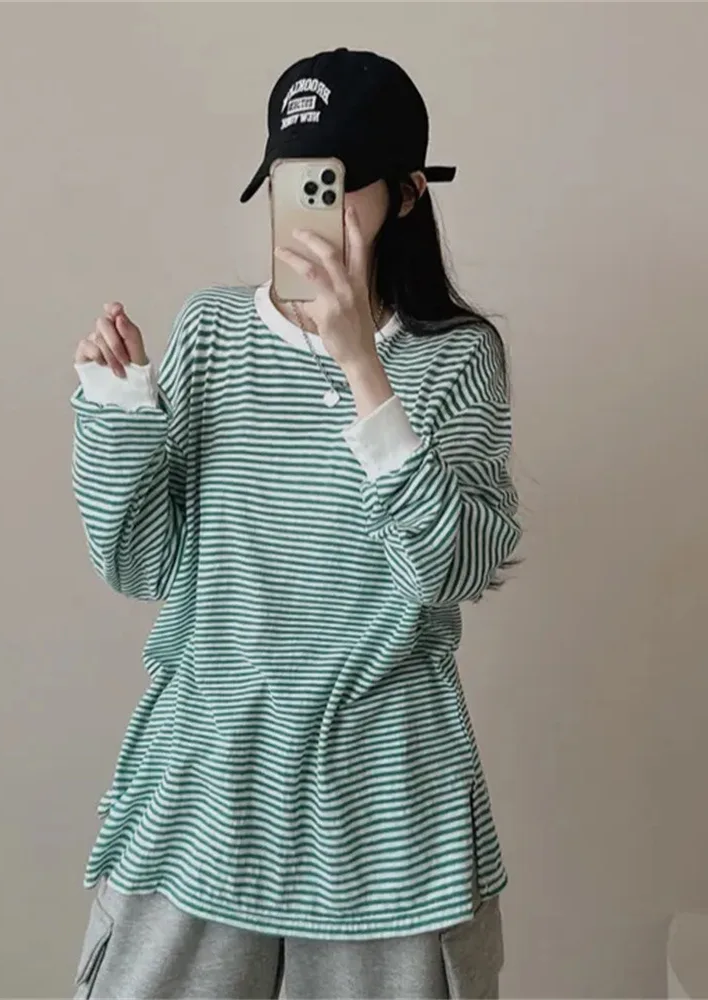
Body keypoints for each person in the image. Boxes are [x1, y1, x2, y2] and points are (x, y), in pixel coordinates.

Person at [70, 48, 520, 1000]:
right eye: (289, 180)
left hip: (388, 804)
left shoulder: (457, 358)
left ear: (407, 195)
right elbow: (144, 565)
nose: (305, 209)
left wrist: (363, 370)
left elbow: (451, 568)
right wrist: (119, 414)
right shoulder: (211, 331)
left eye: (333, 183)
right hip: (206, 778)